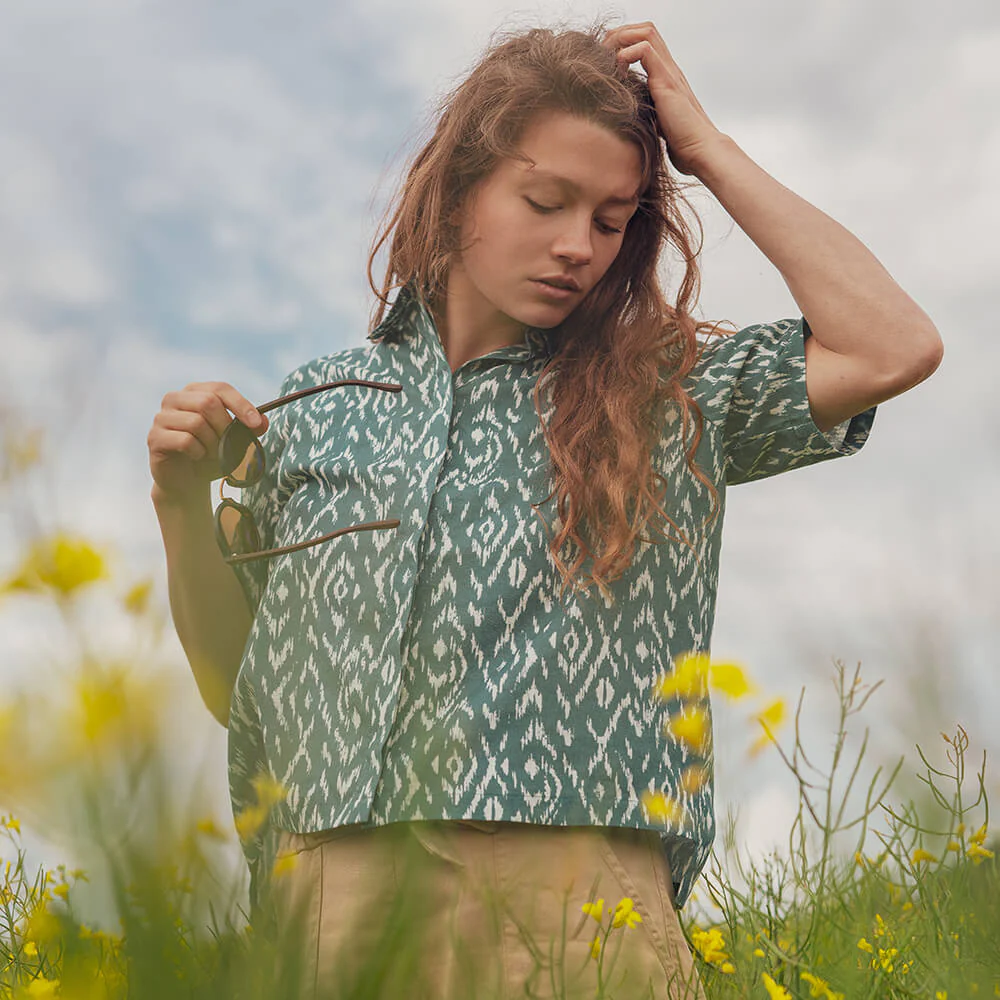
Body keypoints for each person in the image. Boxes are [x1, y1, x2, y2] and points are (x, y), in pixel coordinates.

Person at [147, 19, 943, 1000]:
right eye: (544, 200)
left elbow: (890, 346)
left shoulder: (664, 391)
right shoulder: (318, 408)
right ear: (456, 190)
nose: (578, 246)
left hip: (572, 896)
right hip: (330, 898)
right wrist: (181, 506)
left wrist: (705, 150)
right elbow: (239, 691)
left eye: (611, 219)